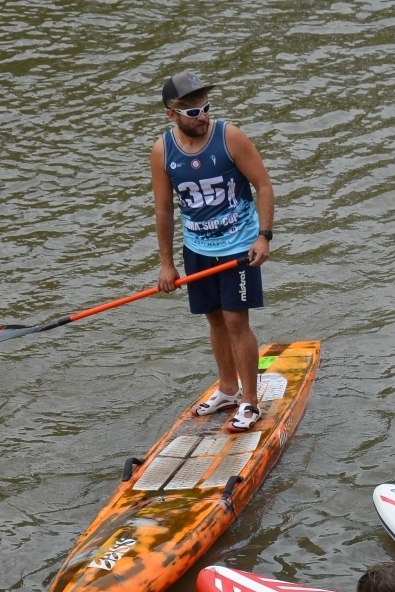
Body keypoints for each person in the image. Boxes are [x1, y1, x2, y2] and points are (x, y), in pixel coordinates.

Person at [150, 70, 275, 432]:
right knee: (215, 319)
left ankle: (250, 403)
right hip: (197, 248)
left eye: (206, 108)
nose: (203, 116)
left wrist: (264, 236)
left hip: (238, 247)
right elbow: (163, 209)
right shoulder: (162, 150)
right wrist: (167, 264)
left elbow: (263, 185)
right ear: (171, 114)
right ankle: (228, 390)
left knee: (237, 319)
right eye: (192, 112)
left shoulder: (229, 136)